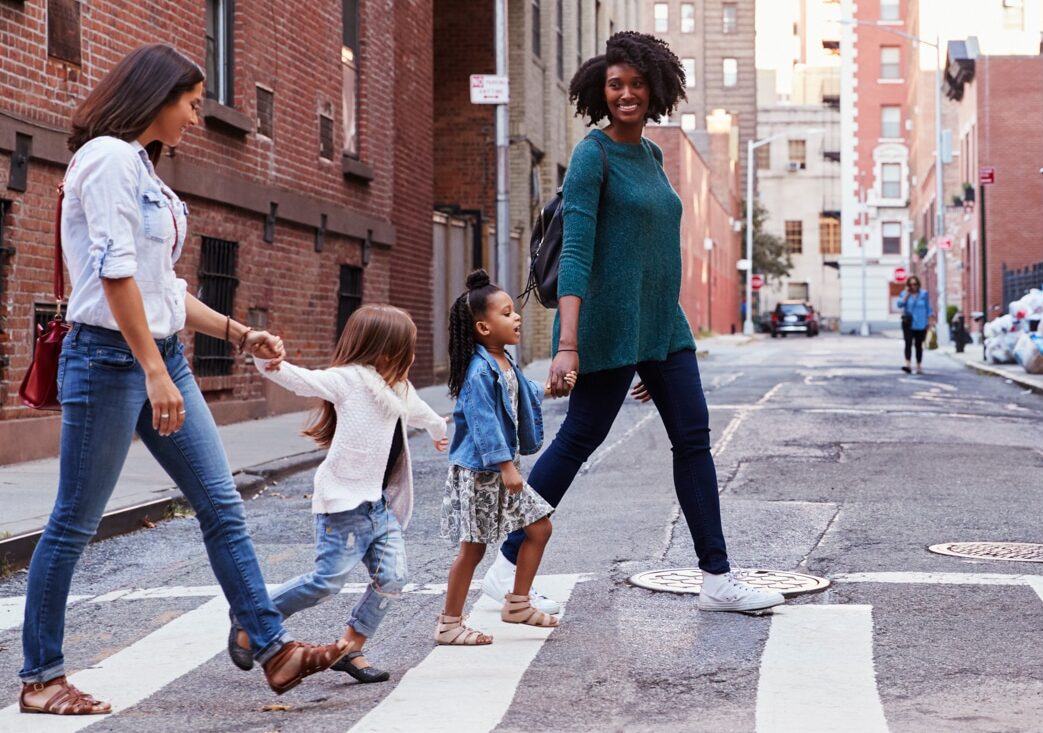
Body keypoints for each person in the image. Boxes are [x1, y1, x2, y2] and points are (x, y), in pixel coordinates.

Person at [18, 44, 348, 716]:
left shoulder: (143, 169)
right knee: (75, 521)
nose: (197, 117)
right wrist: (150, 370)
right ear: (157, 96)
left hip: (156, 355)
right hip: (113, 360)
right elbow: (113, 275)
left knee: (221, 503)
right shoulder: (109, 159)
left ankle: (273, 645)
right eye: (193, 103)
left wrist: (237, 333)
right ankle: (41, 676)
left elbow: (160, 287)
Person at [481, 32, 785, 614]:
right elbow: (575, 255)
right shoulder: (593, 156)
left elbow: (652, 251)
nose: (626, 94)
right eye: (615, 85)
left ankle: (717, 577)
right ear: (602, 91)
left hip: (662, 329)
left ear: (655, 90)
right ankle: (506, 562)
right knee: (579, 440)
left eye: (636, 84)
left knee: (694, 439)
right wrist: (567, 345)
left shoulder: (650, 155)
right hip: (608, 327)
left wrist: (654, 345)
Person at [228, 304, 449, 680]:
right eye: (408, 348)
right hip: (343, 506)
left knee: (393, 577)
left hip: (378, 508)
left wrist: (437, 430)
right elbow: (301, 380)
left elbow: (420, 411)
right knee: (326, 582)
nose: (412, 356)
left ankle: (350, 649)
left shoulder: (400, 387)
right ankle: (253, 617)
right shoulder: (349, 380)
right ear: (386, 352)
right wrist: (266, 361)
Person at [435, 270, 574, 645]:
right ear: (483, 327)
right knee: (474, 549)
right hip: (482, 472)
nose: (516, 318)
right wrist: (507, 466)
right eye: (507, 312)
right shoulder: (478, 371)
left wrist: (546, 387)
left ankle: (518, 603)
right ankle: (449, 623)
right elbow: (483, 425)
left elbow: (519, 392)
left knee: (540, 527)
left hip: (500, 470)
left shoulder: (505, 361)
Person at [897, 276, 934, 374]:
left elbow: (928, 308)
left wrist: (930, 321)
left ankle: (919, 365)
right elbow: (899, 304)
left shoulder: (924, 294)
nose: (913, 286)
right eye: (911, 284)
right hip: (908, 323)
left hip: (921, 323)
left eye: (915, 284)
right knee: (908, 343)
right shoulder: (904, 294)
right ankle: (908, 364)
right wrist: (906, 295)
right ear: (908, 285)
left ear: (918, 284)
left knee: (918, 345)